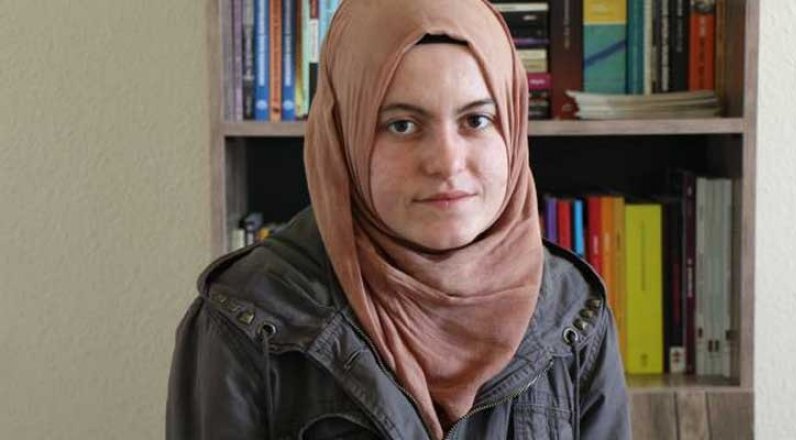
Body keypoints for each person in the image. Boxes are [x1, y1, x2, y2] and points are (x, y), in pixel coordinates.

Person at [165, 0, 630, 438]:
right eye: (402, 125)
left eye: (476, 120)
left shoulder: (574, 314)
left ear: (512, 124)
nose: (446, 162)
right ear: (344, 138)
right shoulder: (246, 320)